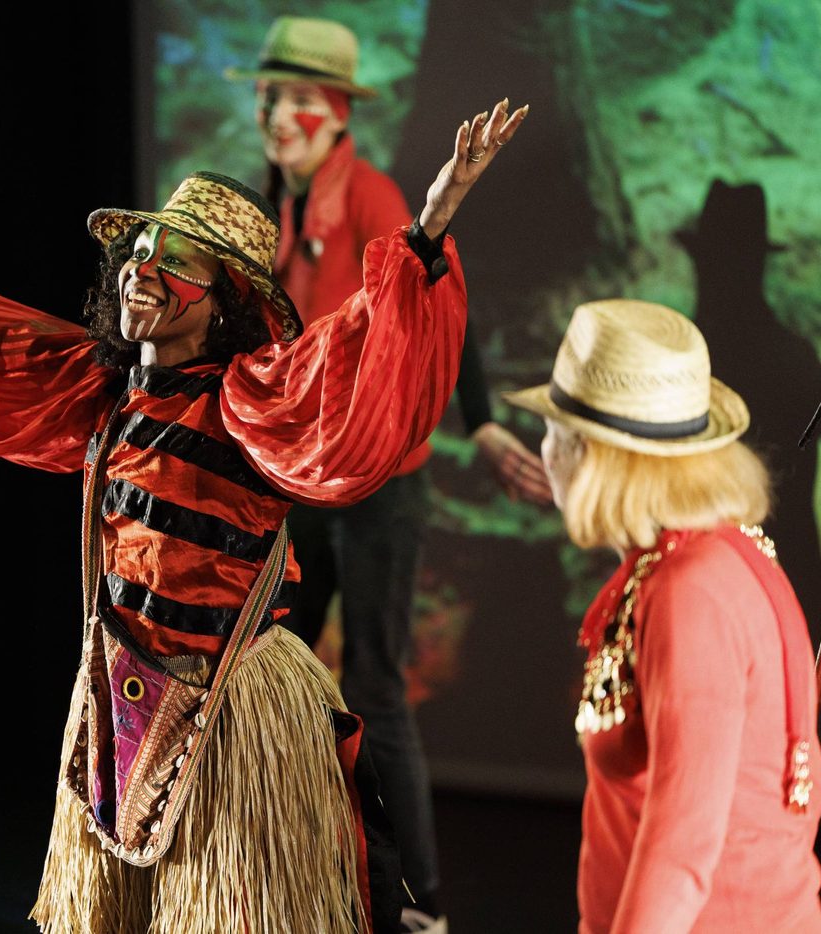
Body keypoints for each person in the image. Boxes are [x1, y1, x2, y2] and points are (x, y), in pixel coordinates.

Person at [0, 94, 525, 931]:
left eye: (176, 260)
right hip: (122, 693)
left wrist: (430, 224)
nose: (142, 269)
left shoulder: (254, 400)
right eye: (140, 251)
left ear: (225, 299)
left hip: (230, 708)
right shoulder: (102, 388)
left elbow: (355, 348)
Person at [227, 18, 549, 929]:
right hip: (302, 480)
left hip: (378, 484)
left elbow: (434, 292)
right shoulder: (272, 201)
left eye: (300, 99)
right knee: (272, 674)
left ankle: (422, 904)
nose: (278, 114)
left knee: (373, 687)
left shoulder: (369, 195)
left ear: (338, 113)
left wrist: (483, 421)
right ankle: (291, 871)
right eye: (271, 96)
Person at [504, 298, 821, 933]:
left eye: (553, 431)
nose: (543, 451)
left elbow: (682, 852)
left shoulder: (691, 595)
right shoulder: (703, 557)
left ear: (591, 454)